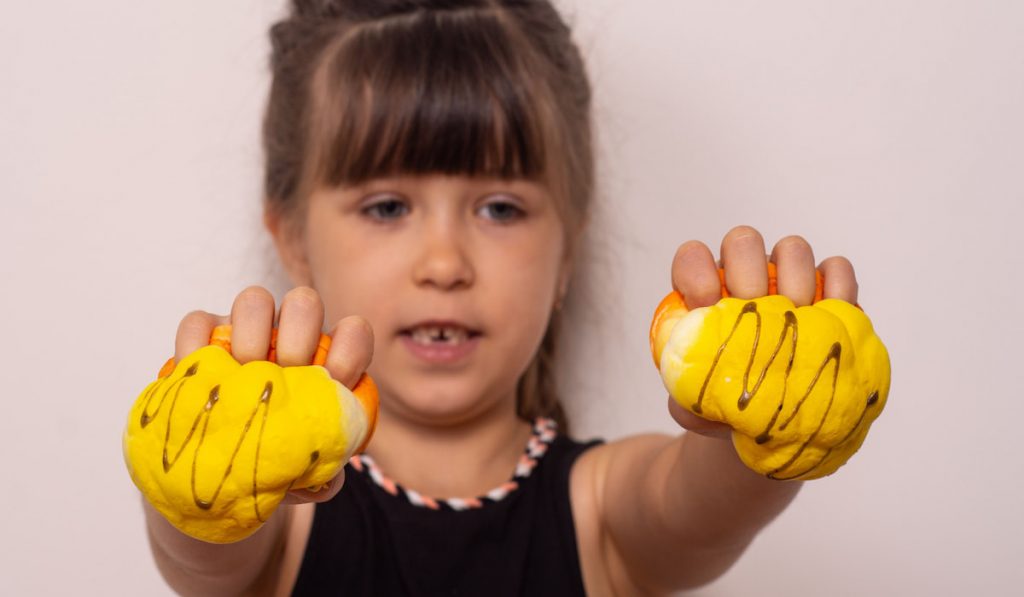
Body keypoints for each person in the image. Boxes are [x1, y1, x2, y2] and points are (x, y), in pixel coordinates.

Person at [141, 0, 862, 595]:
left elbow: (696, 509)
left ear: (568, 247)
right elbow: (204, 554)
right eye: (388, 207)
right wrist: (200, 472)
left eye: (500, 209)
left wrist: (770, 415)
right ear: (293, 239)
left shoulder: (600, 508)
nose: (446, 263)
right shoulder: (285, 520)